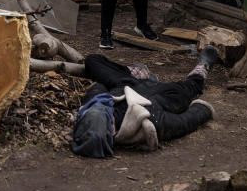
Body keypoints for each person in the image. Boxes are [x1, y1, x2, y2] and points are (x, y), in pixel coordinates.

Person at [70, 46, 218, 158]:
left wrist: (117, 79)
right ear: (113, 130)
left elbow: (98, 88)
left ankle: (137, 72)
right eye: (105, 112)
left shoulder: (95, 107)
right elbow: (184, 122)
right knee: (189, 88)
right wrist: (202, 110)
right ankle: (202, 69)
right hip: (164, 95)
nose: (103, 106)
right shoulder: (148, 121)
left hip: (125, 83)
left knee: (92, 61)